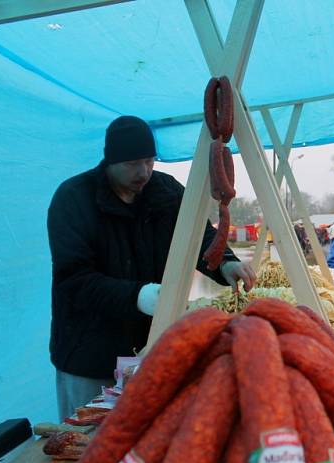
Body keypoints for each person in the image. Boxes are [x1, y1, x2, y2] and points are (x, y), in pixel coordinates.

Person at [47, 116, 256, 422]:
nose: (143, 172)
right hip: (87, 353)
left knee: (144, 431)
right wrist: (139, 296)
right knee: (86, 441)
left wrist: (225, 262)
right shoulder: (73, 199)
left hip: (149, 348)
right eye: (132, 163)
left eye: (149, 161)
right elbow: (74, 279)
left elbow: (199, 235)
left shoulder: (165, 190)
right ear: (110, 160)